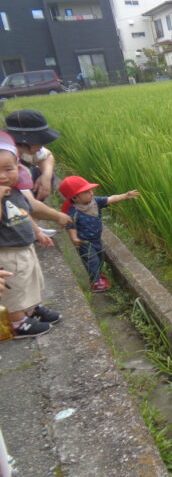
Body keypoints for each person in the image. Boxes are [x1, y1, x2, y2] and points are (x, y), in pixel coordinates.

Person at [0, 134, 66, 338]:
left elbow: (24, 213)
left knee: (31, 279)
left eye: (8, 169)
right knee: (16, 286)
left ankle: (32, 308)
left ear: (18, 169)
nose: (3, 176)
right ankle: (18, 322)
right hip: (8, 252)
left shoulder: (16, 191)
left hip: (25, 246)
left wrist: (37, 232)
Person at [60, 176, 139, 293]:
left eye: (90, 190)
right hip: (85, 242)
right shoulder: (74, 211)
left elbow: (110, 199)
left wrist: (125, 195)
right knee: (92, 260)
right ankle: (95, 283)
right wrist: (74, 237)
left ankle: (97, 275)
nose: (91, 193)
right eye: (86, 192)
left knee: (100, 258)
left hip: (96, 239)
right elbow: (71, 226)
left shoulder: (95, 202)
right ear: (75, 197)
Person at [4, 109, 59, 202]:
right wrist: (60, 217)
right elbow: (32, 204)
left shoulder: (23, 149)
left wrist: (46, 177)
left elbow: (48, 155)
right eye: (40, 141)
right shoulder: (5, 158)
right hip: (9, 199)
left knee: (42, 173)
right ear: (26, 141)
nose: (43, 145)